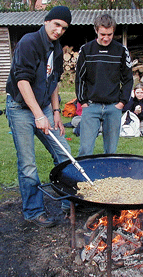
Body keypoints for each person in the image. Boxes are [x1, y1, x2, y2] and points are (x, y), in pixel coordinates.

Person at [6, 6, 72, 227]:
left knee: (64, 153)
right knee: (28, 164)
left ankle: (68, 204)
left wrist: (55, 112)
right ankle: (34, 211)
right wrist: (38, 115)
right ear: (47, 21)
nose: (59, 30)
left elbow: (53, 83)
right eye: (56, 24)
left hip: (43, 107)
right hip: (19, 108)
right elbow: (22, 81)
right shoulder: (28, 42)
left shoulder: (57, 49)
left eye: (64, 27)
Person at [75, 14, 133, 156]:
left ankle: (108, 176)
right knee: (85, 149)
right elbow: (80, 78)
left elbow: (128, 79)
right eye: (103, 34)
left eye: (109, 34)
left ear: (113, 32)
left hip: (113, 107)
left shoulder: (121, 51)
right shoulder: (86, 50)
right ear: (96, 30)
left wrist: (122, 102)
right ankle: (83, 177)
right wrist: (83, 102)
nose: (106, 38)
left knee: (111, 151)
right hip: (91, 106)